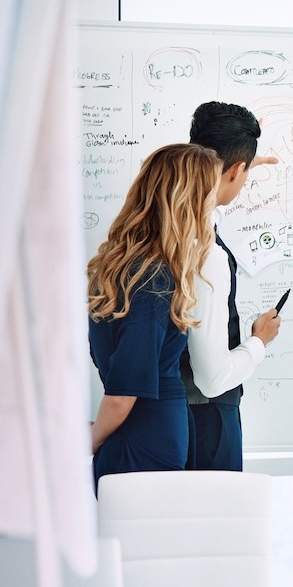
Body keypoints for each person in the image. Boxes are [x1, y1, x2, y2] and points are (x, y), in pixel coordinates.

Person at [88, 143, 222, 491]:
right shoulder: (151, 278)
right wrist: (90, 442)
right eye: (209, 198)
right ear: (188, 203)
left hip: (143, 436)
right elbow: (122, 394)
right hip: (144, 443)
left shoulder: (133, 271)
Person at [182, 101, 281, 471]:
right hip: (206, 423)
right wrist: (259, 341)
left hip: (174, 416)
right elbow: (212, 379)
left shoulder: (173, 222)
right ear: (236, 170)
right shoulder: (207, 251)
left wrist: (241, 166)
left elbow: (212, 196)